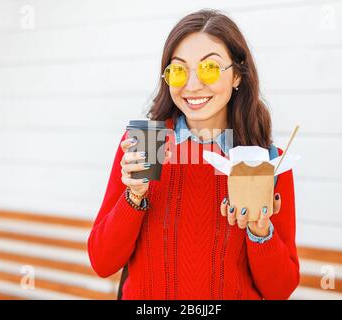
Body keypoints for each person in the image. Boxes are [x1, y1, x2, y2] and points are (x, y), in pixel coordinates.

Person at [88, 9, 300, 300]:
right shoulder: (147, 145)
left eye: (209, 68)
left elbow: (280, 289)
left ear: (237, 75)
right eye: (179, 70)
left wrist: (259, 231)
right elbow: (102, 262)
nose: (192, 85)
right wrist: (133, 197)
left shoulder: (267, 161)